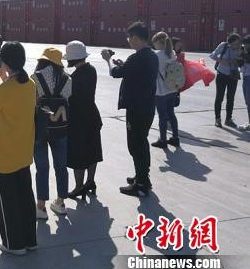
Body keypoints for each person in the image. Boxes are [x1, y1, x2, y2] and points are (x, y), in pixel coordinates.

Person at [0, 41, 37, 256]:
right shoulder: (30, 85)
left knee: (8, 201)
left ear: (4, 63)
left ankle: (14, 244)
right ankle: (30, 240)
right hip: (23, 150)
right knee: (25, 196)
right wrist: (5, 79)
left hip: (4, 154)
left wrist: (3, 81)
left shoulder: (1, 90)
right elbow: (16, 92)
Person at [101, 22, 158, 197]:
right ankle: (142, 177)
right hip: (147, 106)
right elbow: (132, 72)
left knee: (135, 145)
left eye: (129, 37)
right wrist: (122, 64)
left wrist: (108, 60)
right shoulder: (151, 55)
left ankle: (140, 184)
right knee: (142, 142)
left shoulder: (137, 58)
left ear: (136, 38)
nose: (128, 40)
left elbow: (115, 73)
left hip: (136, 108)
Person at [30, 48, 72, 218]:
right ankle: (60, 203)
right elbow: (68, 101)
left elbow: (31, 104)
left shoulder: (35, 78)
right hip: (60, 128)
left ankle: (41, 207)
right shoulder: (67, 79)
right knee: (61, 166)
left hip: (40, 129)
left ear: (43, 60)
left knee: (42, 167)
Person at [64, 41, 103, 199]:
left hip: (78, 119)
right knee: (92, 150)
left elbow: (68, 98)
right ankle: (90, 181)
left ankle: (79, 187)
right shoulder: (91, 70)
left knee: (78, 154)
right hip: (92, 116)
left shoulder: (73, 77)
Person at [150, 32, 180, 148]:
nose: (154, 45)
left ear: (159, 42)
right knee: (171, 114)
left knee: (162, 116)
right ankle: (175, 138)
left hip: (161, 90)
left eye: (154, 42)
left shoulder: (157, 55)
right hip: (172, 88)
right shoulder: (172, 53)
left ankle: (163, 140)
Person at [209, 33, 242, 128]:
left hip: (233, 75)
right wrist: (222, 61)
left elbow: (242, 62)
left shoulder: (240, 49)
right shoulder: (223, 46)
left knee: (231, 98)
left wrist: (238, 59)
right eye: (235, 44)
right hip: (222, 74)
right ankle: (217, 119)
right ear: (229, 43)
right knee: (219, 97)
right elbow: (212, 55)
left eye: (238, 44)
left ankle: (228, 119)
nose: (237, 46)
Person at [238, 35, 250, 131]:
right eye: (244, 44)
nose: (245, 46)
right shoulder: (245, 51)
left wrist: (242, 54)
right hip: (246, 77)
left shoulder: (245, 53)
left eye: (247, 44)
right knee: (247, 101)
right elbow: (240, 64)